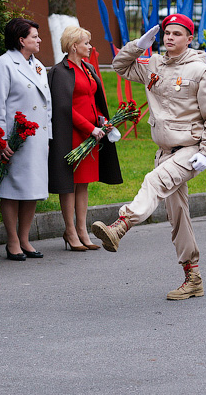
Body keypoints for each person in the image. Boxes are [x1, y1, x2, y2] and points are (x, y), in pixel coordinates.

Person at [91, 14, 206, 300]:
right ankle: (193, 277)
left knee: (153, 182)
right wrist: (137, 46)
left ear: (190, 38)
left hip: (189, 151)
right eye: (167, 33)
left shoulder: (201, 71)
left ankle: (121, 226)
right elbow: (119, 66)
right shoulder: (153, 64)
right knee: (178, 217)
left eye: (177, 34)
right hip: (164, 152)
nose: (169, 38)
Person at [48, 26, 122, 251]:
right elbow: (63, 107)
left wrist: (100, 119)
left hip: (92, 134)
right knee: (68, 185)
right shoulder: (60, 71)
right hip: (73, 135)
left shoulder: (88, 68)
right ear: (74, 46)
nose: (90, 47)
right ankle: (70, 231)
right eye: (86, 43)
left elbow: (93, 99)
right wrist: (89, 128)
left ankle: (82, 230)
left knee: (83, 184)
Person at [0, 18, 52, 260]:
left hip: (36, 139)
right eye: (34, 36)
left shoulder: (38, 66)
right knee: (11, 190)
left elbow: (47, 105)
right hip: (12, 142)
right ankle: (12, 241)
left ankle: (25, 239)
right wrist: (1, 140)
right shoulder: (3, 65)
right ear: (21, 40)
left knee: (32, 188)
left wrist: (48, 134)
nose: (39, 40)